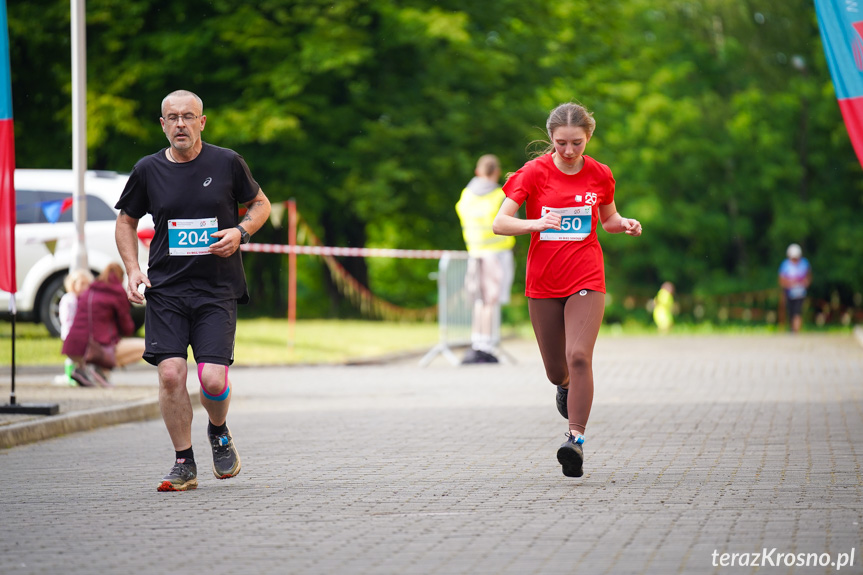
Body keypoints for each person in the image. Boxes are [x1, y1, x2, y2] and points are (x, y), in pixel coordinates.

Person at [115, 89, 271, 492]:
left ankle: (218, 430)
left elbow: (260, 204)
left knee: (214, 381)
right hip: (166, 288)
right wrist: (132, 268)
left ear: (202, 122)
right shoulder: (148, 170)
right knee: (171, 374)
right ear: (162, 124)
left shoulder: (226, 162)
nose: (180, 124)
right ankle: (184, 462)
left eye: (188, 116)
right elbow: (126, 221)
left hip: (216, 288)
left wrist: (240, 232)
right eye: (173, 117)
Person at [492, 102, 642, 478]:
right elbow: (500, 223)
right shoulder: (533, 172)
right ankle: (565, 386)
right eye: (561, 144)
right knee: (557, 370)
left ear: (588, 137)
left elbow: (607, 219)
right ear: (551, 139)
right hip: (543, 281)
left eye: (577, 143)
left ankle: (574, 440)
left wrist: (624, 224)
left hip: (586, 277)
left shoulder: (600, 174)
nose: (570, 151)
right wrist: (536, 223)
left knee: (579, 355)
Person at [455, 154, 516, 364]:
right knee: (491, 301)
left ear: (477, 172)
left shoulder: (466, 195)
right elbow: (511, 223)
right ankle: (487, 346)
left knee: (479, 302)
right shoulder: (500, 195)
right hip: (497, 254)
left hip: (475, 252)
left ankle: (477, 342)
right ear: (497, 172)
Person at [62, 263, 142, 387]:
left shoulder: (89, 290)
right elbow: (127, 328)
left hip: (71, 347)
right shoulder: (117, 292)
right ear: (121, 278)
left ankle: (84, 370)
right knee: (145, 347)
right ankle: (99, 369)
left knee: (96, 338)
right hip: (97, 350)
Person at [55, 269, 94, 386]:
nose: (84, 287)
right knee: (72, 356)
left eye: (86, 284)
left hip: (80, 333)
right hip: (70, 333)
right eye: (81, 284)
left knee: (81, 356)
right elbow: (67, 318)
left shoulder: (82, 300)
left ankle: (80, 374)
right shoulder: (69, 299)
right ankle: (69, 375)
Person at [778, 243, 811, 333]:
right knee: (791, 311)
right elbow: (781, 279)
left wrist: (804, 283)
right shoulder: (785, 265)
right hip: (789, 291)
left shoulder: (804, 263)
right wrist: (790, 284)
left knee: (798, 310)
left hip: (800, 292)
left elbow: (808, 277)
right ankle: (792, 329)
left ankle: (796, 330)